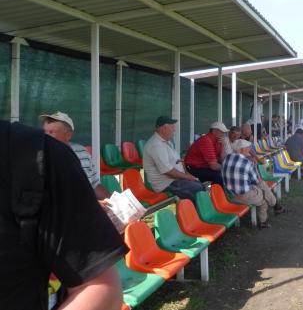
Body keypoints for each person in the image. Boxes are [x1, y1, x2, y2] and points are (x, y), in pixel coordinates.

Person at [0, 120, 127, 310]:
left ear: (69, 135)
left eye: (53, 131)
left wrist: (106, 203)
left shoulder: (51, 156)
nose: (48, 134)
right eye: (46, 131)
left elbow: (93, 185)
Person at [39, 112, 111, 200]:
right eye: (44, 132)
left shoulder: (82, 152)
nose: (45, 136)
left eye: (51, 132)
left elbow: (94, 185)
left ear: (68, 135)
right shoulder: (40, 156)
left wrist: (114, 202)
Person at [222, 139, 286, 229]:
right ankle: (265, 220)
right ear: (241, 149)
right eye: (247, 147)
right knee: (264, 197)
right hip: (243, 196)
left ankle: (276, 205)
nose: (249, 149)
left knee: (262, 188)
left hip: (230, 195)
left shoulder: (226, 159)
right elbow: (257, 180)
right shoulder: (247, 163)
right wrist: (255, 166)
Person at [144, 116, 204, 201]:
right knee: (196, 188)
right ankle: (192, 213)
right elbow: (167, 171)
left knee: (199, 185)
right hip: (165, 184)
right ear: (164, 128)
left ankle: (194, 212)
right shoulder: (156, 145)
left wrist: (186, 173)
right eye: (172, 128)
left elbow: (178, 161)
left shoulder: (167, 142)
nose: (174, 130)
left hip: (173, 180)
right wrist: (187, 177)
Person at [184, 122, 228, 186]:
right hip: (192, 169)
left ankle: (219, 193)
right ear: (214, 131)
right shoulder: (206, 140)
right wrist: (228, 168)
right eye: (222, 132)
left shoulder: (218, 140)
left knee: (223, 172)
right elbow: (214, 166)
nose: (224, 134)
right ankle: (215, 194)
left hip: (204, 167)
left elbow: (222, 160)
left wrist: (223, 145)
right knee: (219, 175)